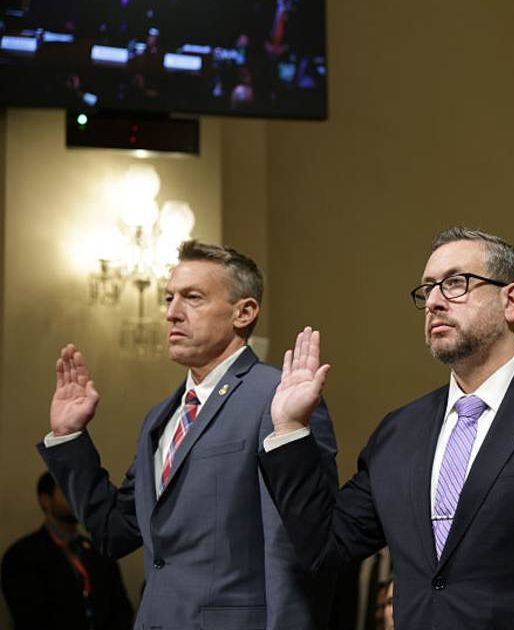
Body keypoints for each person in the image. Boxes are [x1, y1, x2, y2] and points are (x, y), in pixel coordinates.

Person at [257, 227, 514, 629]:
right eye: (428, 289)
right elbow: (327, 546)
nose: (434, 301)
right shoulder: (399, 433)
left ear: (511, 301)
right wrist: (290, 427)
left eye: (455, 283)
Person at [39, 240, 337, 630]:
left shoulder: (279, 397)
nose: (172, 313)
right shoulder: (160, 418)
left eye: (192, 298)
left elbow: (298, 547)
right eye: (169, 298)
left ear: (244, 312)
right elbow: (116, 531)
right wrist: (69, 437)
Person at [1, 472, 134, 630]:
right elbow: (28, 615)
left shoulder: (98, 550)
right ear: (45, 500)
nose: (76, 499)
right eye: (66, 491)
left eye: (78, 492)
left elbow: (121, 608)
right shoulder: (22, 555)